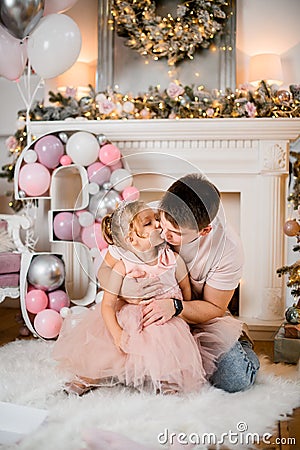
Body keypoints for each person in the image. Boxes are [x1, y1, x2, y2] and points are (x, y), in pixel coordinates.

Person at [100, 174, 260, 393]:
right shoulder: (147, 218)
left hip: (197, 313)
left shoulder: (227, 250)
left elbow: (214, 307)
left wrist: (175, 307)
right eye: (162, 225)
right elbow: (102, 270)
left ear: (204, 231)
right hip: (145, 315)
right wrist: (125, 289)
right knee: (110, 361)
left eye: (174, 234)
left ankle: (239, 341)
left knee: (234, 378)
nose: (163, 234)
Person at [52, 200, 206, 395]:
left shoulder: (172, 260)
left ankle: (168, 382)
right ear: (131, 239)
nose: (158, 224)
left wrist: (184, 320)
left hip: (163, 319)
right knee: (107, 347)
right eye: (149, 223)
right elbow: (107, 305)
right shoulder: (123, 266)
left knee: (167, 348)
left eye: (157, 219)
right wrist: (117, 333)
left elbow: (185, 292)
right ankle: (88, 376)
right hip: (130, 319)